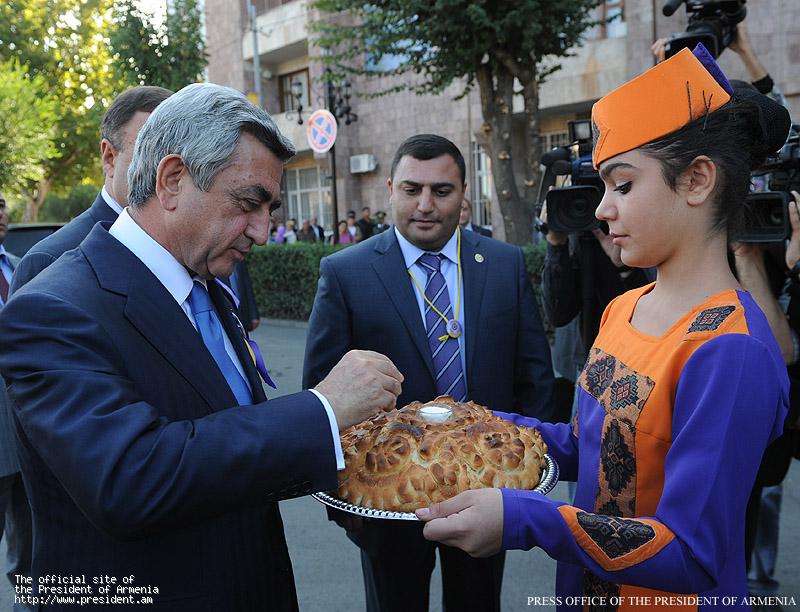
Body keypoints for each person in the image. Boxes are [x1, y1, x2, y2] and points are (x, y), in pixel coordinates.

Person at [0, 83, 404, 611]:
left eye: (271, 208)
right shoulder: (52, 308)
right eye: (248, 203)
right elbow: (130, 480)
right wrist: (322, 410)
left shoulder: (206, 281)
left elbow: (231, 449)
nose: (263, 232)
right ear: (172, 180)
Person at [417, 45, 790, 608]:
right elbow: (587, 445)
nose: (601, 209)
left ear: (696, 180)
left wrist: (528, 519)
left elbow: (692, 552)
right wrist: (472, 427)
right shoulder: (625, 307)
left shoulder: (731, 349)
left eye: (624, 185)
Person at [303, 134, 554, 612]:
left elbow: (534, 376)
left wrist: (529, 484)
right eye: (411, 189)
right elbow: (321, 395)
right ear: (390, 190)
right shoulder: (346, 272)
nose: (425, 205)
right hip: (387, 498)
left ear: (463, 194)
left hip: (486, 493)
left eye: (441, 191)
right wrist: (343, 504)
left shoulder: (504, 264)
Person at [10, 85, 173, 292]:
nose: (169, 173)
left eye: (181, 160)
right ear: (109, 157)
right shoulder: (48, 262)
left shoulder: (195, 251)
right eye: (151, 155)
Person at [0, 194, 32, 612]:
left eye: (2, 205)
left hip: (32, 431)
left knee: (29, 545)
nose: (0, 214)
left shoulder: (23, 266)